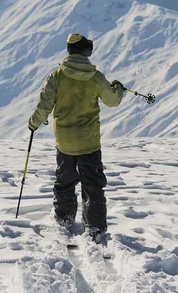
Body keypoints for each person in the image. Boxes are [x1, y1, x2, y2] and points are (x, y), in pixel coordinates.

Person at [28, 33, 125, 242]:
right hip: (89, 142)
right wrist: (118, 89)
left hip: (64, 142)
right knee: (93, 185)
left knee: (64, 182)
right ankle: (95, 228)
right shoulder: (96, 77)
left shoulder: (57, 77)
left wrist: (33, 123)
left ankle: (64, 219)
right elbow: (113, 101)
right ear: (86, 52)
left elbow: (44, 106)